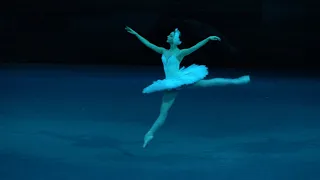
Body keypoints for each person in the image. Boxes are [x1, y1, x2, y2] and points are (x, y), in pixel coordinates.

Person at [125, 26, 250, 148]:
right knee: (163, 112)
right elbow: (148, 44)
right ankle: (150, 133)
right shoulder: (163, 50)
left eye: (170, 35)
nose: (168, 36)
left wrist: (207, 39)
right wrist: (136, 34)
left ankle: (236, 81)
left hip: (179, 80)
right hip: (171, 83)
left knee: (208, 83)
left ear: (174, 39)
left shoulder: (180, 53)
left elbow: (195, 47)